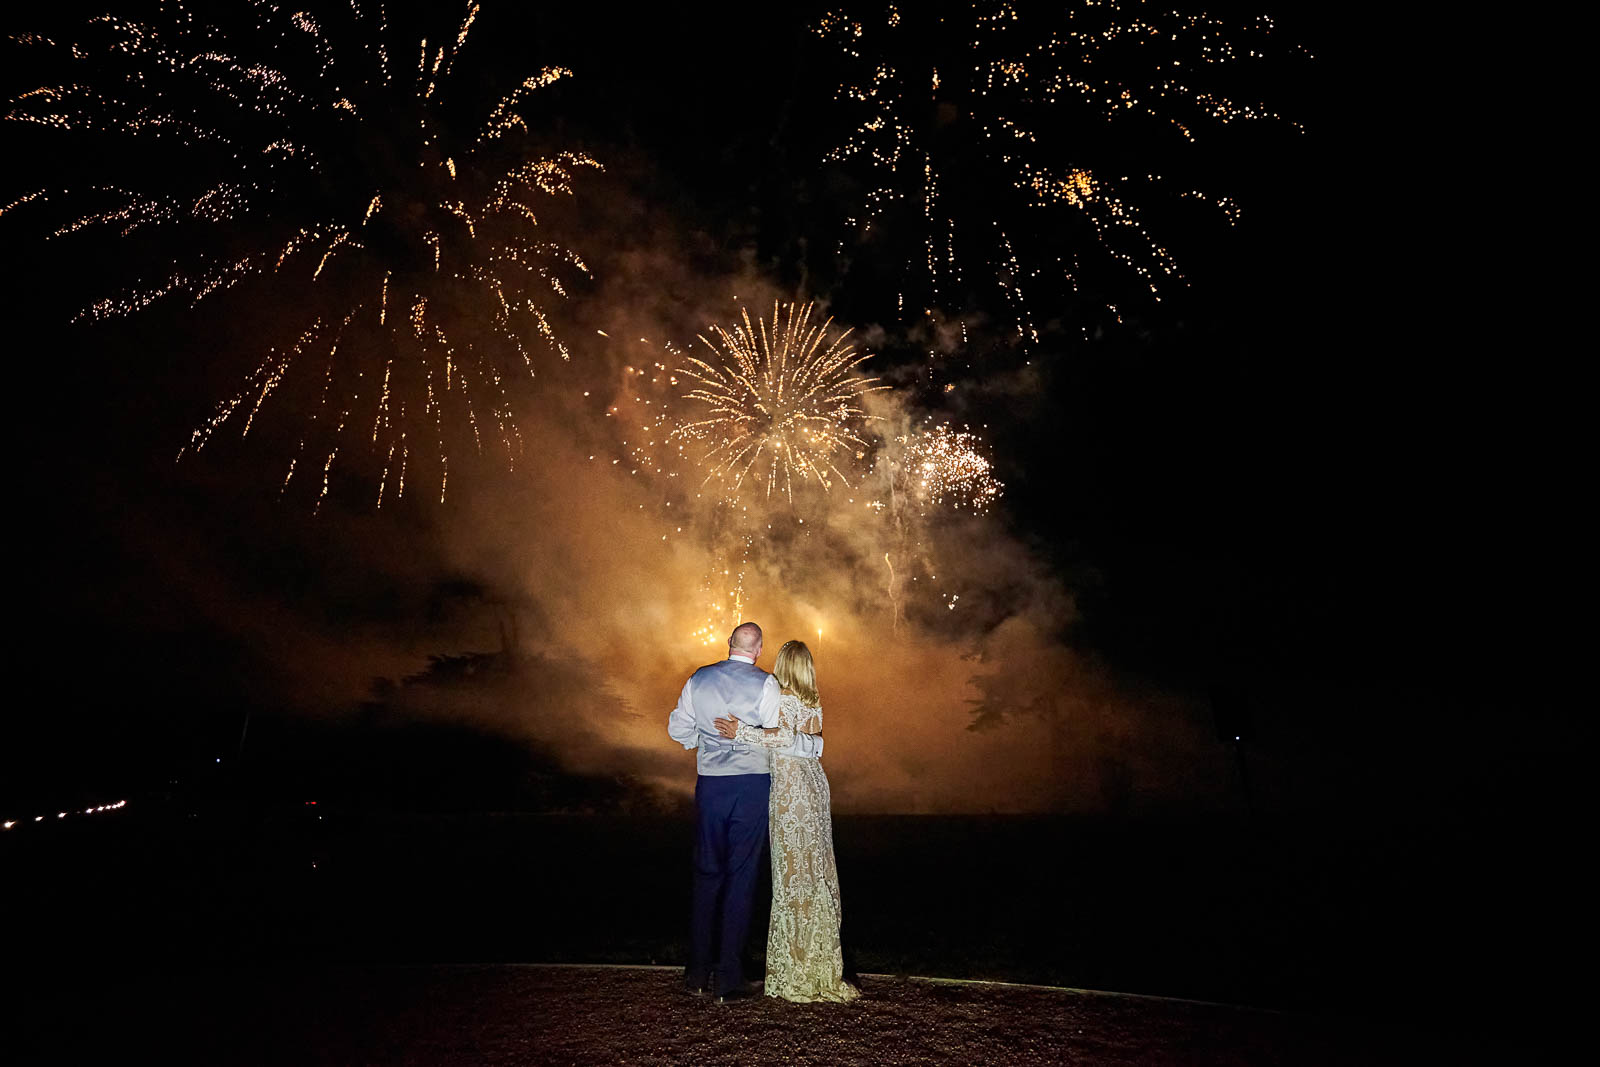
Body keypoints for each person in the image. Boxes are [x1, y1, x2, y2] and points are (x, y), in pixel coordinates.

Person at [667, 622, 823, 1001]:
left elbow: (677, 729)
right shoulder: (767, 684)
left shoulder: (699, 679)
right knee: (741, 876)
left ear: (729, 644)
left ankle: (697, 974)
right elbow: (777, 738)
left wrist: (704, 743)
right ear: (759, 649)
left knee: (706, 873)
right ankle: (729, 977)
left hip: (710, 786)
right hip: (751, 786)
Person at [713, 639, 858, 1003]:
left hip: (792, 794)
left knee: (794, 873)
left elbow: (782, 738)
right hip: (814, 787)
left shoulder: (785, 697)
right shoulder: (812, 700)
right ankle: (818, 961)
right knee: (814, 871)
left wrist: (742, 732)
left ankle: (798, 967)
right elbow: (809, 742)